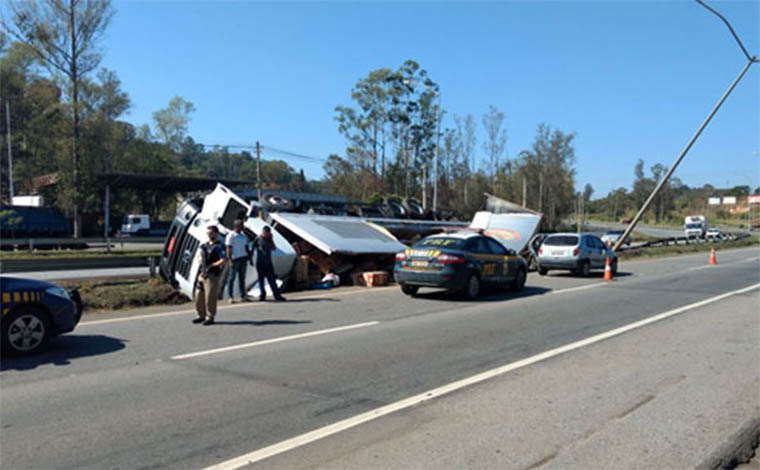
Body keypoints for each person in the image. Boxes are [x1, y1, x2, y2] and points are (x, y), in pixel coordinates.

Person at [194, 225, 227, 325]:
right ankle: (200, 315)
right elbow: (199, 255)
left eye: (211, 233)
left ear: (215, 234)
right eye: (208, 233)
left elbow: (223, 260)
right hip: (202, 273)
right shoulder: (204, 246)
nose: (209, 235)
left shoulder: (219, 246)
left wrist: (213, 265)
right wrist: (200, 260)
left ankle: (210, 316)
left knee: (210, 297)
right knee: (198, 296)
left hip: (212, 274)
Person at [253, 226, 285, 301]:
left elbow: (274, 248)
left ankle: (277, 295)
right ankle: (262, 295)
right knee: (261, 280)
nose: (266, 235)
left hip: (268, 262)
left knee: (272, 279)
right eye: (265, 233)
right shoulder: (258, 239)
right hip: (260, 262)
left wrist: (271, 239)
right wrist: (250, 259)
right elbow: (252, 248)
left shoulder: (269, 239)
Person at [225, 219, 250, 303]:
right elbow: (228, 248)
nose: (243, 227)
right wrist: (230, 260)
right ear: (237, 226)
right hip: (235, 259)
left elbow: (246, 247)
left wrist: (248, 256)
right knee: (231, 278)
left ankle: (243, 295)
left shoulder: (244, 236)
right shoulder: (231, 236)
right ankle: (230, 296)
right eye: (242, 225)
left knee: (242, 278)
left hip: (243, 258)